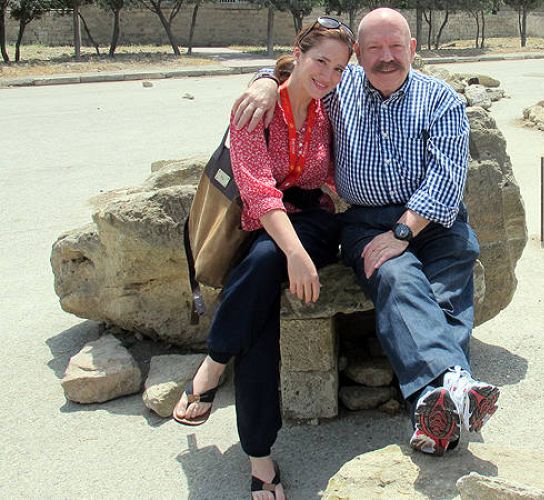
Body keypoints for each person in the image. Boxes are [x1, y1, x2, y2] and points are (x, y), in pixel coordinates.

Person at [232, 7, 500, 457]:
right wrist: (263, 80)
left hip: (434, 221)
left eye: (395, 46)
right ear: (358, 53)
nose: (386, 57)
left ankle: (436, 406)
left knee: (447, 293)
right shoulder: (341, 87)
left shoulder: (441, 100)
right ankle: (456, 386)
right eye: (374, 48)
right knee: (396, 277)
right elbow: (302, 70)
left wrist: (403, 232)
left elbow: (447, 179)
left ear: (412, 48)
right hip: (366, 220)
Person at [172, 18, 354, 499]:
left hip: (314, 222)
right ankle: (259, 455)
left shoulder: (330, 106)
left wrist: (299, 250)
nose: (328, 75)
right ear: (299, 52)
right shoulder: (256, 109)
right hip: (262, 226)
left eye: (338, 68)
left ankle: (214, 362)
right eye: (321, 61)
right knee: (261, 291)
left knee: (262, 263)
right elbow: (257, 191)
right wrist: (294, 255)